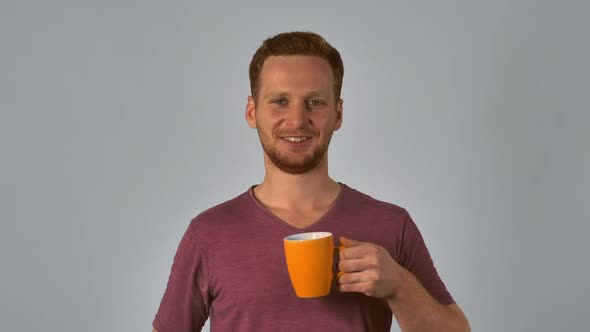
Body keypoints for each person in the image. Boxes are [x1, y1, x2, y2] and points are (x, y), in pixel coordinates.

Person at [152, 31, 470, 332]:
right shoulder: (208, 234)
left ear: (338, 114)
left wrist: (399, 287)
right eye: (280, 101)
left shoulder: (390, 225)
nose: (296, 120)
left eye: (314, 102)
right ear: (252, 112)